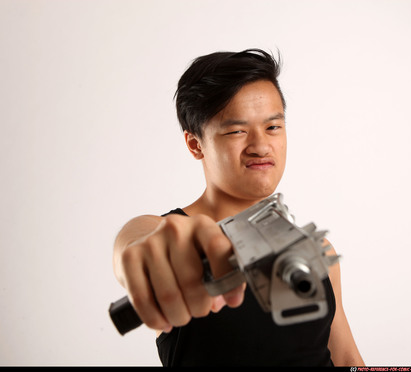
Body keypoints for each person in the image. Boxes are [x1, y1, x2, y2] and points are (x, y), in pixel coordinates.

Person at [112, 48, 364, 366]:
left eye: (273, 127)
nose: (261, 145)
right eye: (236, 131)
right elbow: (137, 243)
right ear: (195, 143)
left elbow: (346, 359)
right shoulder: (171, 234)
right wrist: (139, 247)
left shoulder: (318, 250)